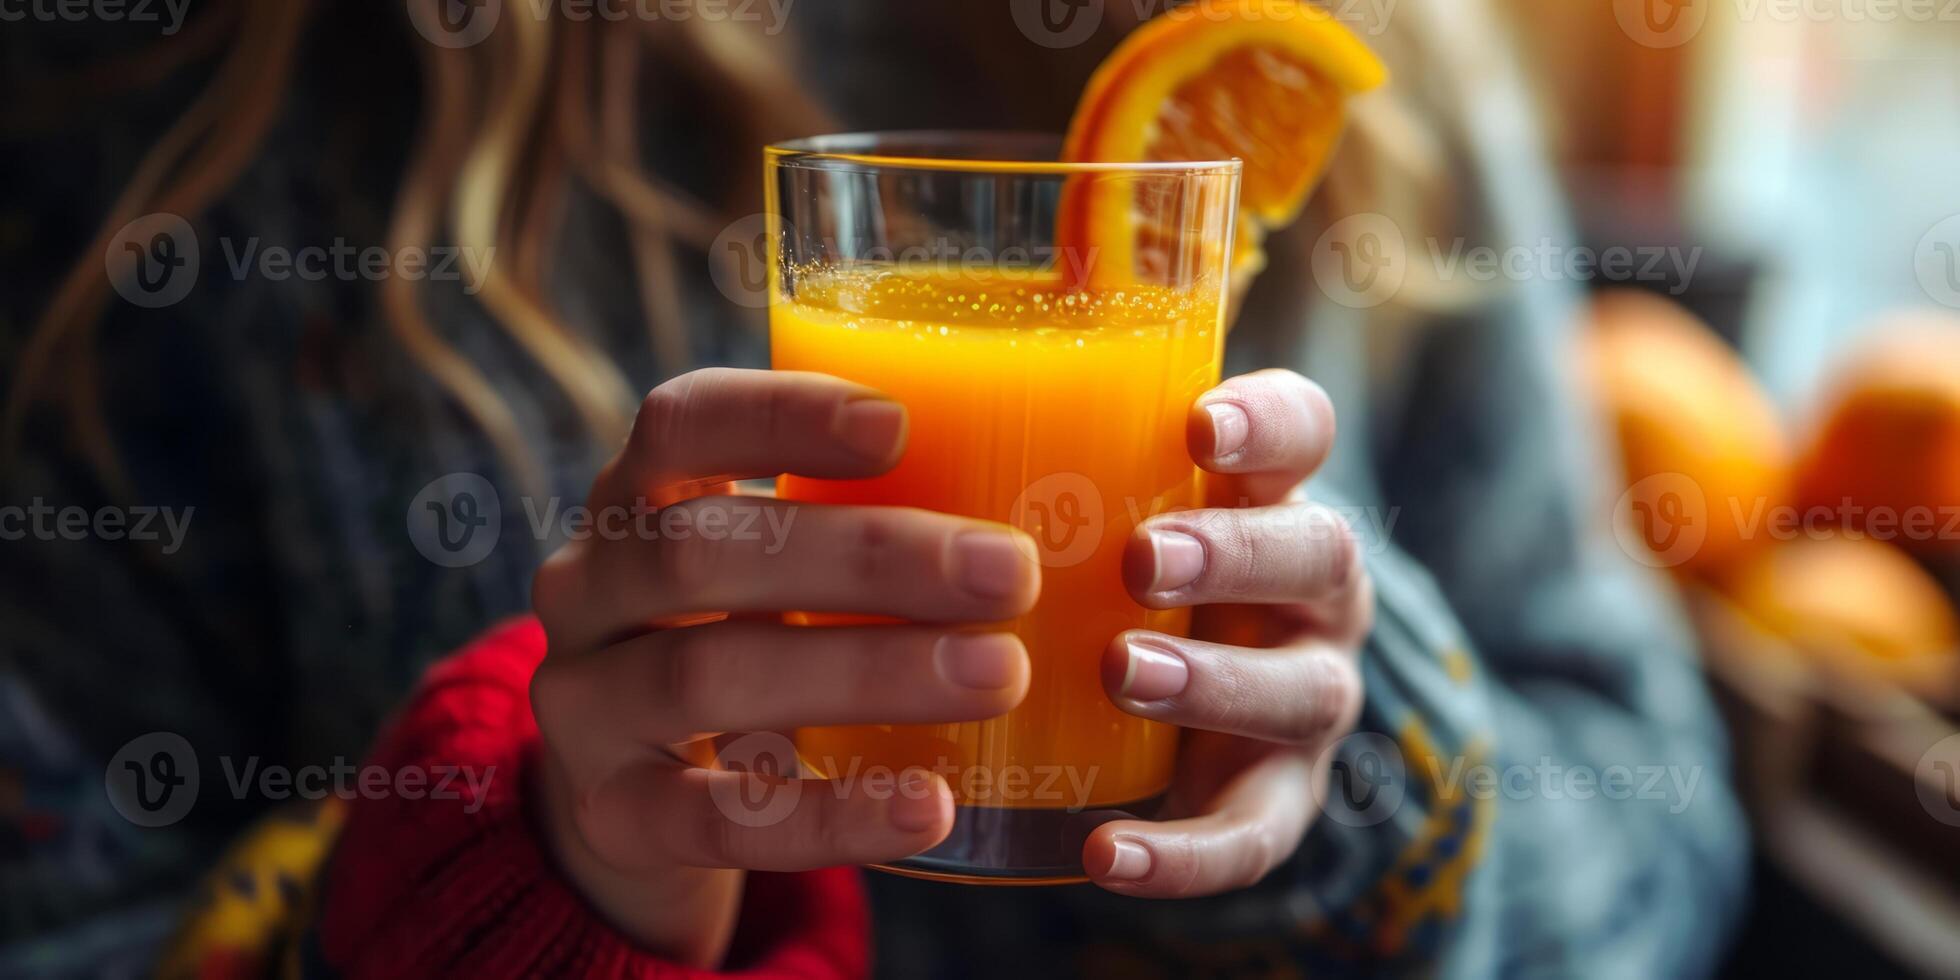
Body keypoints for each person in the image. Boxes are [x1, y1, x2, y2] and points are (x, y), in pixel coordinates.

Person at [0, 1, 1747, 976]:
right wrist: (508, 898)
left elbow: (1666, 832)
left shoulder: (1334, 52)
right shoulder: (166, 92)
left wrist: (1374, 790)